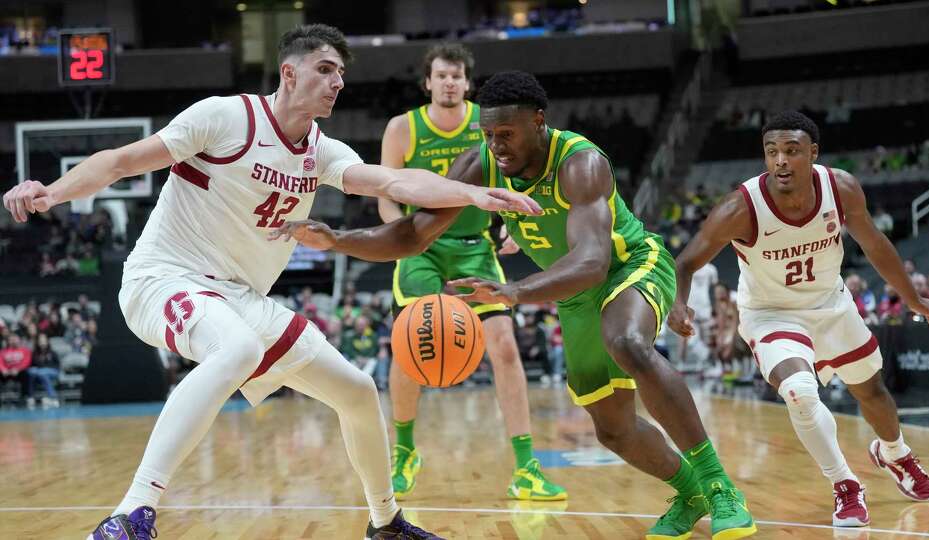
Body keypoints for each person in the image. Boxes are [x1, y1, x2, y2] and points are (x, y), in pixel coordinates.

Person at [2, 24, 541, 540]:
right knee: (235, 349)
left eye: (341, 75)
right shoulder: (225, 118)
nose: (337, 82)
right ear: (289, 73)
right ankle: (129, 513)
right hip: (164, 277)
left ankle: (385, 522)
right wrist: (53, 192)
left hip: (238, 297)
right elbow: (121, 162)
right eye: (325, 69)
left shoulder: (321, 152)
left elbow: (394, 178)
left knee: (355, 391)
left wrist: (471, 194)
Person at [274, 71, 757, 540]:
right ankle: (689, 492)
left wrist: (516, 293)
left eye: (506, 133)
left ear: (539, 122)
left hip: (628, 267)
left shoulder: (580, 163)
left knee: (626, 341)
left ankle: (720, 487)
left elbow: (592, 262)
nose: (496, 144)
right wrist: (337, 239)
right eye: (488, 133)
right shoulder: (479, 163)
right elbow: (413, 234)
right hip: (571, 293)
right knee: (612, 429)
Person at [668, 111, 929, 528]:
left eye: (791, 151)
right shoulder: (740, 207)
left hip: (830, 303)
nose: (780, 160)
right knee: (798, 390)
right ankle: (845, 485)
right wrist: (679, 303)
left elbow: (875, 245)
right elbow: (685, 262)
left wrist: (914, 299)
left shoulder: (841, 188)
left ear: (812, 153)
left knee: (871, 391)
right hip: (771, 313)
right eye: (771, 151)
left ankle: (894, 453)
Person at [376, 44, 565, 501]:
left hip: (474, 247)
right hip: (421, 248)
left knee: (504, 346)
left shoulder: (489, 121)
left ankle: (526, 467)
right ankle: (403, 452)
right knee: (408, 345)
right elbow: (384, 192)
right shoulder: (402, 128)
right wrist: (399, 233)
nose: (449, 83)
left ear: (466, 82)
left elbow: (518, 176)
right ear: (428, 82)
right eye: (441, 75)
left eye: (457, 76)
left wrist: (517, 224)